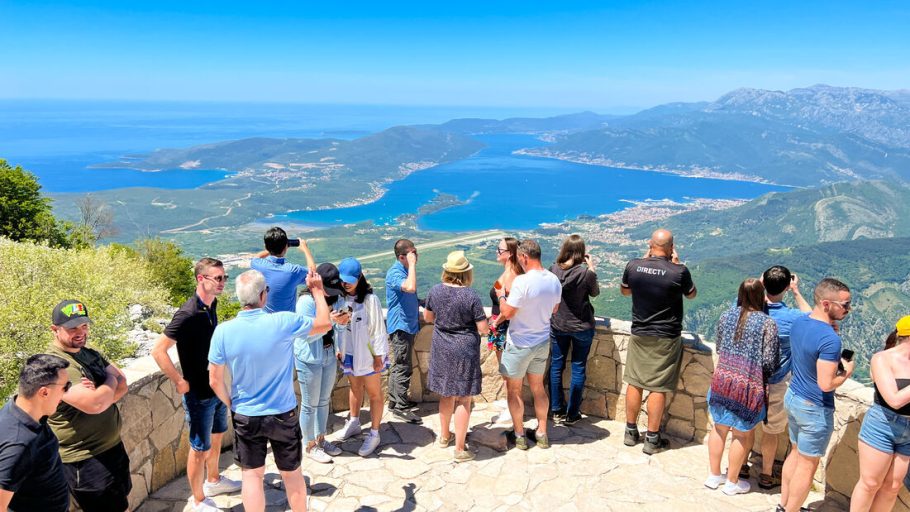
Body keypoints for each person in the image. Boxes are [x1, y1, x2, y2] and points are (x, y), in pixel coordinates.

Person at [208, 270, 331, 512]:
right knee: (292, 475)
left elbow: (214, 379)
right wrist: (317, 290)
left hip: (246, 414)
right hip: (282, 413)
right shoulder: (283, 322)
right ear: (264, 295)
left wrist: (232, 403)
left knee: (252, 476)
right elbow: (325, 324)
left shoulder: (223, 331)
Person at [151, 258, 241, 511]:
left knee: (215, 438)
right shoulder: (188, 313)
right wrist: (179, 381)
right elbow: (159, 350)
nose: (223, 282)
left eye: (224, 277)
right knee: (199, 448)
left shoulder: (211, 306)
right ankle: (198, 499)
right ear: (201, 279)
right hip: (198, 395)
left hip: (215, 388)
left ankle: (213, 480)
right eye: (218, 278)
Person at [45, 300, 131, 512]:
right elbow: (95, 403)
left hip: (112, 449)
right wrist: (108, 382)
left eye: (84, 326)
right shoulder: (55, 364)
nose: (80, 332)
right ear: (55, 330)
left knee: (122, 504)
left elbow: (123, 382)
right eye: (72, 327)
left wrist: (101, 391)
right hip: (85, 460)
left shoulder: (89, 353)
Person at [778, 278, 854, 512]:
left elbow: (807, 312)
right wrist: (847, 373)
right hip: (814, 407)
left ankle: (784, 505)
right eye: (844, 304)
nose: (848, 309)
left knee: (794, 453)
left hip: (793, 398)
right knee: (808, 465)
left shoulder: (801, 323)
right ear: (825, 304)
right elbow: (826, 383)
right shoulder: (830, 339)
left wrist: (796, 291)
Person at [620, 228, 697, 455]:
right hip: (666, 336)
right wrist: (677, 263)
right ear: (671, 248)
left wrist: (645, 262)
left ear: (649, 244)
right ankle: (652, 439)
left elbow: (625, 292)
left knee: (635, 381)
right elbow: (691, 294)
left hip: (639, 332)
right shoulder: (679, 271)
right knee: (658, 386)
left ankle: (630, 431)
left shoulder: (633, 266)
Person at [704, 278, 780, 496]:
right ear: (761, 297)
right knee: (740, 435)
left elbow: (719, 346)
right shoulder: (767, 323)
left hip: (722, 380)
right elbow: (769, 362)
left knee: (718, 428)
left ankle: (713, 475)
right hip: (747, 384)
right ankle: (732, 482)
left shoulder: (726, 316)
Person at [492, 239, 562, 450]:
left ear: (523, 257)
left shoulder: (522, 282)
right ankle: (542, 432)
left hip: (520, 342)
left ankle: (519, 434)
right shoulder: (553, 280)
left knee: (514, 391)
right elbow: (555, 309)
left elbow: (507, 313)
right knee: (538, 388)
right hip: (542, 341)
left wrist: (502, 296)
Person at [423, 251, 489, 462]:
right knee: (464, 397)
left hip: (442, 346)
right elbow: (483, 328)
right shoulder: (471, 296)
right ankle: (460, 449)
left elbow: (428, 317)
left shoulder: (435, 291)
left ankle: (444, 436)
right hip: (464, 350)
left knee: (446, 394)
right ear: (466, 273)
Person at [757, 266, 811, 490]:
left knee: (745, 425)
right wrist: (796, 291)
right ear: (787, 286)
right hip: (777, 381)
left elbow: (739, 301)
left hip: (748, 377)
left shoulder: (751, 310)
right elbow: (813, 318)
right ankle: (767, 474)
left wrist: (760, 286)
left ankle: (740, 466)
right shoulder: (792, 318)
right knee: (771, 431)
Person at [849, 317, 910, 512]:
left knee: (892, 487)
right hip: (883, 424)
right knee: (870, 484)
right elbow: (894, 399)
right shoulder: (882, 358)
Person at [0, 354, 72, 512]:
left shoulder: (17, 409)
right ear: (44, 393)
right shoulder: (20, 444)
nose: (66, 393)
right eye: (65, 387)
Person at [334, 257, 390, 457]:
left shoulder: (370, 300)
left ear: (359, 278)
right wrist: (339, 348)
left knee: (374, 392)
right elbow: (340, 328)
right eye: (343, 279)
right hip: (349, 353)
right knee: (355, 387)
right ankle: (354, 422)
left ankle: (374, 433)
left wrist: (378, 356)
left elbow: (377, 329)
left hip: (368, 354)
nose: (346, 283)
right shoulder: (342, 299)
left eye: (350, 279)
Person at [294, 263, 349, 464]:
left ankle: (321, 439)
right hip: (309, 356)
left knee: (324, 400)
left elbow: (340, 328)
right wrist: (332, 322)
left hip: (328, 354)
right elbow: (305, 336)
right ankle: (309, 445)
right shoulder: (306, 303)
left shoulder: (337, 297)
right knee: (310, 404)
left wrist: (342, 324)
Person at [548, 234, 600, 426]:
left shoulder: (553, 270)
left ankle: (556, 410)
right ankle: (572, 413)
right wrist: (592, 268)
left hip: (558, 324)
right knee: (578, 367)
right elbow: (595, 293)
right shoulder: (585, 273)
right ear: (582, 253)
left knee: (556, 366)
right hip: (581, 326)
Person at [385, 239, 422, 424]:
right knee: (403, 367)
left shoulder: (405, 270)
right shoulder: (395, 273)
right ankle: (400, 407)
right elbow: (410, 287)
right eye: (412, 253)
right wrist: (413, 265)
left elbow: (411, 294)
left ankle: (394, 401)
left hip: (407, 325)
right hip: (401, 327)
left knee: (400, 365)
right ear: (402, 257)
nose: (416, 256)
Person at [251, 226, 316, 313]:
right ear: (285, 247)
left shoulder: (258, 265)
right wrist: (305, 249)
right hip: (287, 322)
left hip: (265, 321)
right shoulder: (293, 271)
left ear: (266, 247)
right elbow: (313, 273)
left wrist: (271, 247)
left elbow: (257, 257)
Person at [488, 237, 523, 364]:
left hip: (502, 327)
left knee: (505, 369)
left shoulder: (511, 275)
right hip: (500, 326)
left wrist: (495, 323)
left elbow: (509, 306)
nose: (497, 252)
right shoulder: (509, 272)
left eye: (500, 249)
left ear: (510, 253)